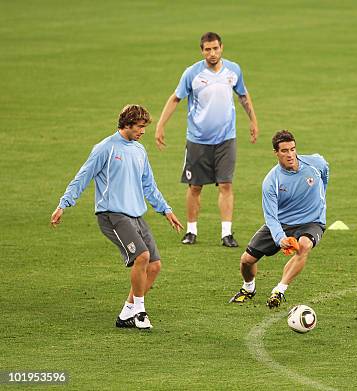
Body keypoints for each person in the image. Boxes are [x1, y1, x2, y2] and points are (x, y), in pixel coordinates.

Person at [50, 105, 184, 330]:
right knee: (141, 256)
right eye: (140, 127)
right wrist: (64, 204)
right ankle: (140, 312)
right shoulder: (106, 148)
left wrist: (166, 210)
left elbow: (148, 185)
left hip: (136, 216)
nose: (143, 131)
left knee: (154, 265)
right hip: (112, 215)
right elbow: (83, 176)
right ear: (128, 124)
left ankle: (127, 313)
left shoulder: (140, 150)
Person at [155, 31, 259, 247]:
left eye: (215, 48)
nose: (212, 53)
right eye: (207, 49)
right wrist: (160, 125)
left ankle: (226, 233)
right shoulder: (192, 73)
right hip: (198, 140)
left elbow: (243, 95)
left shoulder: (234, 70)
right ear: (202, 51)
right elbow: (175, 99)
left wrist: (253, 120)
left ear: (222, 48)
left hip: (226, 139)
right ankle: (191, 231)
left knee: (226, 184)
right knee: (195, 186)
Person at [229, 130, 329, 308]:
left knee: (304, 246)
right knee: (246, 260)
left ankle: (279, 290)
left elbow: (325, 174)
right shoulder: (271, 181)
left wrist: (321, 200)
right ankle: (248, 288)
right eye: (284, 151)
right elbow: (271, 216)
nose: (290, 155)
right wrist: (280, 238)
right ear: (275, 153)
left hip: (312, 221)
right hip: (282, 223)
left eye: (292, 149)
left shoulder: (315, 163)